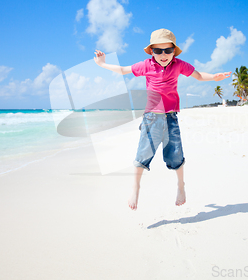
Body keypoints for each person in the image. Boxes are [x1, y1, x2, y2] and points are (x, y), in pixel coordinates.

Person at [94, 28, 231, 210]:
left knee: (176, 155)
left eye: (167, 50)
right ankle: (136, 186)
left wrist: (214, 77)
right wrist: (102, 64)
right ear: (152, 51)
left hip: (171, 116)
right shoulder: (146, 65)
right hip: (151, 117)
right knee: (143, 155)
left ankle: (181, 185)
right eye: (158, 51)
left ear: (174, 50)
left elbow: (198, 76)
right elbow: (122, 70)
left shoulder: (179, 65)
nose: (163, 55)